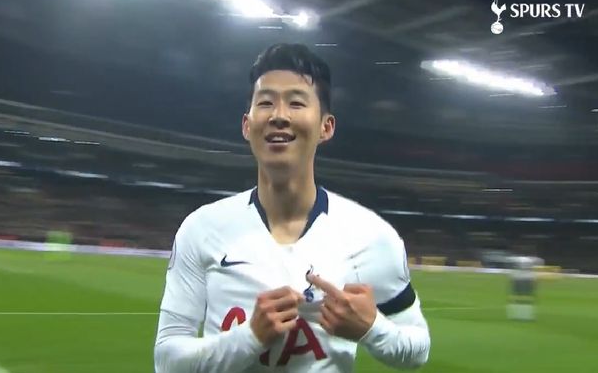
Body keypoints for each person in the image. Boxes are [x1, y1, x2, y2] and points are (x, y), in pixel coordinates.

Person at [154, 43, 430, 372]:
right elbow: (167, 361)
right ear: (247, 125)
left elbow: (417, 349)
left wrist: (373, 328)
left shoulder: (372, 237)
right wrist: (250, 337)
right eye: (266, 102)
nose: (279, 116)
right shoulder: (201, 229)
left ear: (326, 126)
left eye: (296, 103)